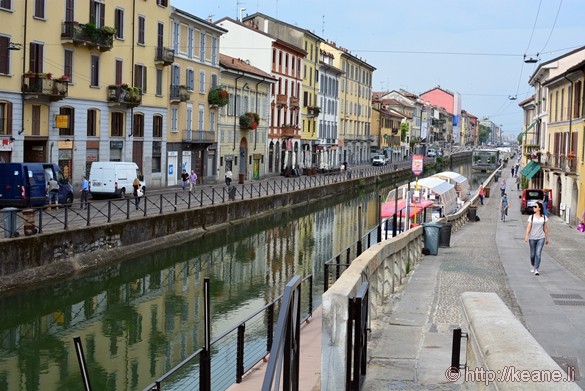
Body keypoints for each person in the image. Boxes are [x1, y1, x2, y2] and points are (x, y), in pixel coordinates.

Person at [524, 201, 549, 275]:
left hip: (541, 237)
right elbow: (528, 227)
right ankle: (532, 265)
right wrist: (526, 236)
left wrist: (547, 238)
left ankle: (536, 269)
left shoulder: (544, 218)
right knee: (532, 254)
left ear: (539, 208)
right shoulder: (531, 217)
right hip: (532, 237)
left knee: (538, 254)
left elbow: (546, 228)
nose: (533, 208)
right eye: (533, 206)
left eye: (535, 206)